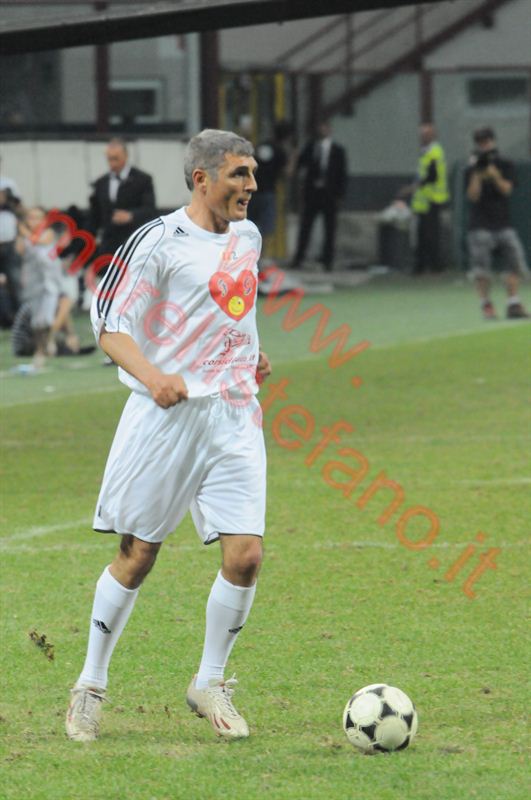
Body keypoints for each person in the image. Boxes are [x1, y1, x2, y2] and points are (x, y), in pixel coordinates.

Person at [66, 129, 272, 743]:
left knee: (246, 555)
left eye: (252, 173)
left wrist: (250, 355)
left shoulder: (248, 237)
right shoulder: (158, 240)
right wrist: (154, 377)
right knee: (138, 555)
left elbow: (233, 313)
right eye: (239, 174)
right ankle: (89, 686)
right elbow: (110, 324)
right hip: (166, 420)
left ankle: (210, 681)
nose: (251, 185)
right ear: (201, 179)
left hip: (234, 415)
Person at [465, 127, 529, 319]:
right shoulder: (471, 168)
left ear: (493, 141)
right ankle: (486, 304)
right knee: (481, 269)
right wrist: (477, 174)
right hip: (479, 225)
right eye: (480, 143)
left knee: (514, 262)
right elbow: (472, 196)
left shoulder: (504, 164)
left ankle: (513, 303)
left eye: (486, 141)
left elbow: (506, 190)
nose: (484, 146)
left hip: (503, 223)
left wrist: (494, 175)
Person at [88, 138, 156, 266]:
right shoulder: (101, 183)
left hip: (134, 243)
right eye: (109, 159)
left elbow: (150, 210)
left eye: (116, 159)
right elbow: (94, 218)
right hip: (109, 248)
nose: (112, 164)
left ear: (125, 156)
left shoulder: (143, 180)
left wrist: (131, 216)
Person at [291, 121, 347, 272]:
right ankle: (299, 258)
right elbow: (300, 165)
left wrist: (339, 194)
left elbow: (342, 174)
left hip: (329, 194)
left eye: (325, 128)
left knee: (330, 228)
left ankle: (328, 260)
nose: (322, 130)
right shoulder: (311, 147)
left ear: (330, 130)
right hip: (312, 193)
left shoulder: (338, 150)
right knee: (306, 226)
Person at [16, 207, 63, 368]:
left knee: (47, 317)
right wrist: (22, 235)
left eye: (37, 217)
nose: (33, 221)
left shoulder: (48, 233)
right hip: (32, 281)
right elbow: (20, 251)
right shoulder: (24, 237)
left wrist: (24, 232)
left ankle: (49, 340)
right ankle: (40, 350)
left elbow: (40, 242)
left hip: (49, 281)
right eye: (30, 218)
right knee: (36, 320)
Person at [401, 123, 449, 275]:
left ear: (433, 135)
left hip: (432, 199)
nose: (422, 137)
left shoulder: (434, 152)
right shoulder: (426, 151)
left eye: (426, 134)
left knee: (430, 235)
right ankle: (422, 266)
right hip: (424, 201)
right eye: (421, 134)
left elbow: (431, 176)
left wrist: (413, 187)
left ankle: (434, 266)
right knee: (422, 234)